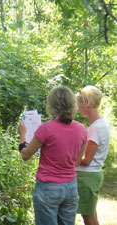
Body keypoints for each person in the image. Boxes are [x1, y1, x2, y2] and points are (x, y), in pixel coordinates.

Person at [18, 86, 87, 225]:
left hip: (48, 188)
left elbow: (25, 155)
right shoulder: (82, 129)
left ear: (52, 105)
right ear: (73, 105)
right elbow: (77, 161)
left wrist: (23, 135)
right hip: (70, 188)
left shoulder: (46, 128)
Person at [75, 86, 110, 225]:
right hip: (91, 175)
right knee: (91, 214)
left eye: (79, 103)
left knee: (88, 217)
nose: (78, 108)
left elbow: (86, 160)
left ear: (87, 102)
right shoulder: (102, 122)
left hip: (87, 177)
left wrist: (67, 158)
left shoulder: (96, 127)